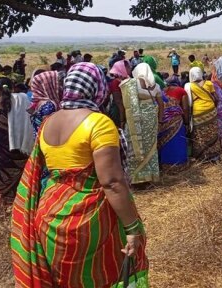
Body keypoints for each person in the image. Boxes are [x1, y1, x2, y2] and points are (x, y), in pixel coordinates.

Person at [11, 63, 149, 287]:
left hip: (49, 215)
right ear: (96, 87)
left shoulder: (48, 122)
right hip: (88, 220)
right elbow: (112, 182)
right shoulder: (99, 123)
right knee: (99, 276)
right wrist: (133, 228)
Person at [120, 63, 163, 184]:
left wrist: (123, 120)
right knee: (151, 147)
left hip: (137, 121)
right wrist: (159, 121)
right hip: (152, 120)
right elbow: (161, 105)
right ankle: (151, 176)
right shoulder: (156, 86)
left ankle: (138, 177)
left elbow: (127, 106)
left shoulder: (132, 84)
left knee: (136, 144)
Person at [185, 67, 220, 162]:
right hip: (211, 111)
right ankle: (214, 155)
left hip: (198, 113)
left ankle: (202, 157)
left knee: (199, 134)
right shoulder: (209, 83)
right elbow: (216, 98)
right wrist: (214, 108)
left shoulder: (189, 86)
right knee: (213, 132)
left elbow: (188, 103)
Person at [160, 76, 189, 166]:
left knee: (165, 142)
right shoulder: (181, 91)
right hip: (176, 120)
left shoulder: (161, 91)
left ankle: (165, 163)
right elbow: (185, 108)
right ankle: (179, 163)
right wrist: (187, 121)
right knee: (178, 141)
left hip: (163, 120)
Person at [28, 71, 62, 135]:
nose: (60, 86)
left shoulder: (37, 102)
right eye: (57, 83)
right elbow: (49, 130)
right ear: (50, 85)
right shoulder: (49, 105)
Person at [107, 60, 130, 128]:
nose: (130, 68)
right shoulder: (116, 83)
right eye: (127, 67)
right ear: (121, 69)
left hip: (128, 111)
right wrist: (122, 120)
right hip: (119, 113)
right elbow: (119, 103)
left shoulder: (128, 80)